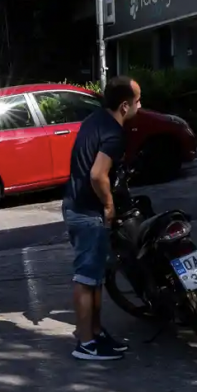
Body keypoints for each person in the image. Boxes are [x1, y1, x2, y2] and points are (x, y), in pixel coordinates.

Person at [62, 76, 141, 361]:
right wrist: (108, 205)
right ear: (124, 105)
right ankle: (85, 342)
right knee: (85, 278)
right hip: (88, 212)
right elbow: (97, 174)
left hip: (75, 205)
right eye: (137, 101)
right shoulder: (114, 133)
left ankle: (95, 333)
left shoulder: (94, 120)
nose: (140, 106)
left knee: (95, 277)